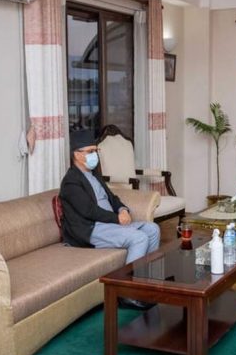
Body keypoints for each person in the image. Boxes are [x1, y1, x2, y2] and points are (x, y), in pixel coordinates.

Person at [59, 130, 160, 309]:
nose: (95, 155)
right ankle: (126, 293)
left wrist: (122, 209)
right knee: (139, 238)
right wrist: (117, 218)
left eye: (96, 151)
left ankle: (145, 283)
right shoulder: (71, 182)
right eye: (91, 151)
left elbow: (112, 198)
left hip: (109, 224)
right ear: (77, 155)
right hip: (92, 228)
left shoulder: (94, 175)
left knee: (152, 229)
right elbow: (88, 211)